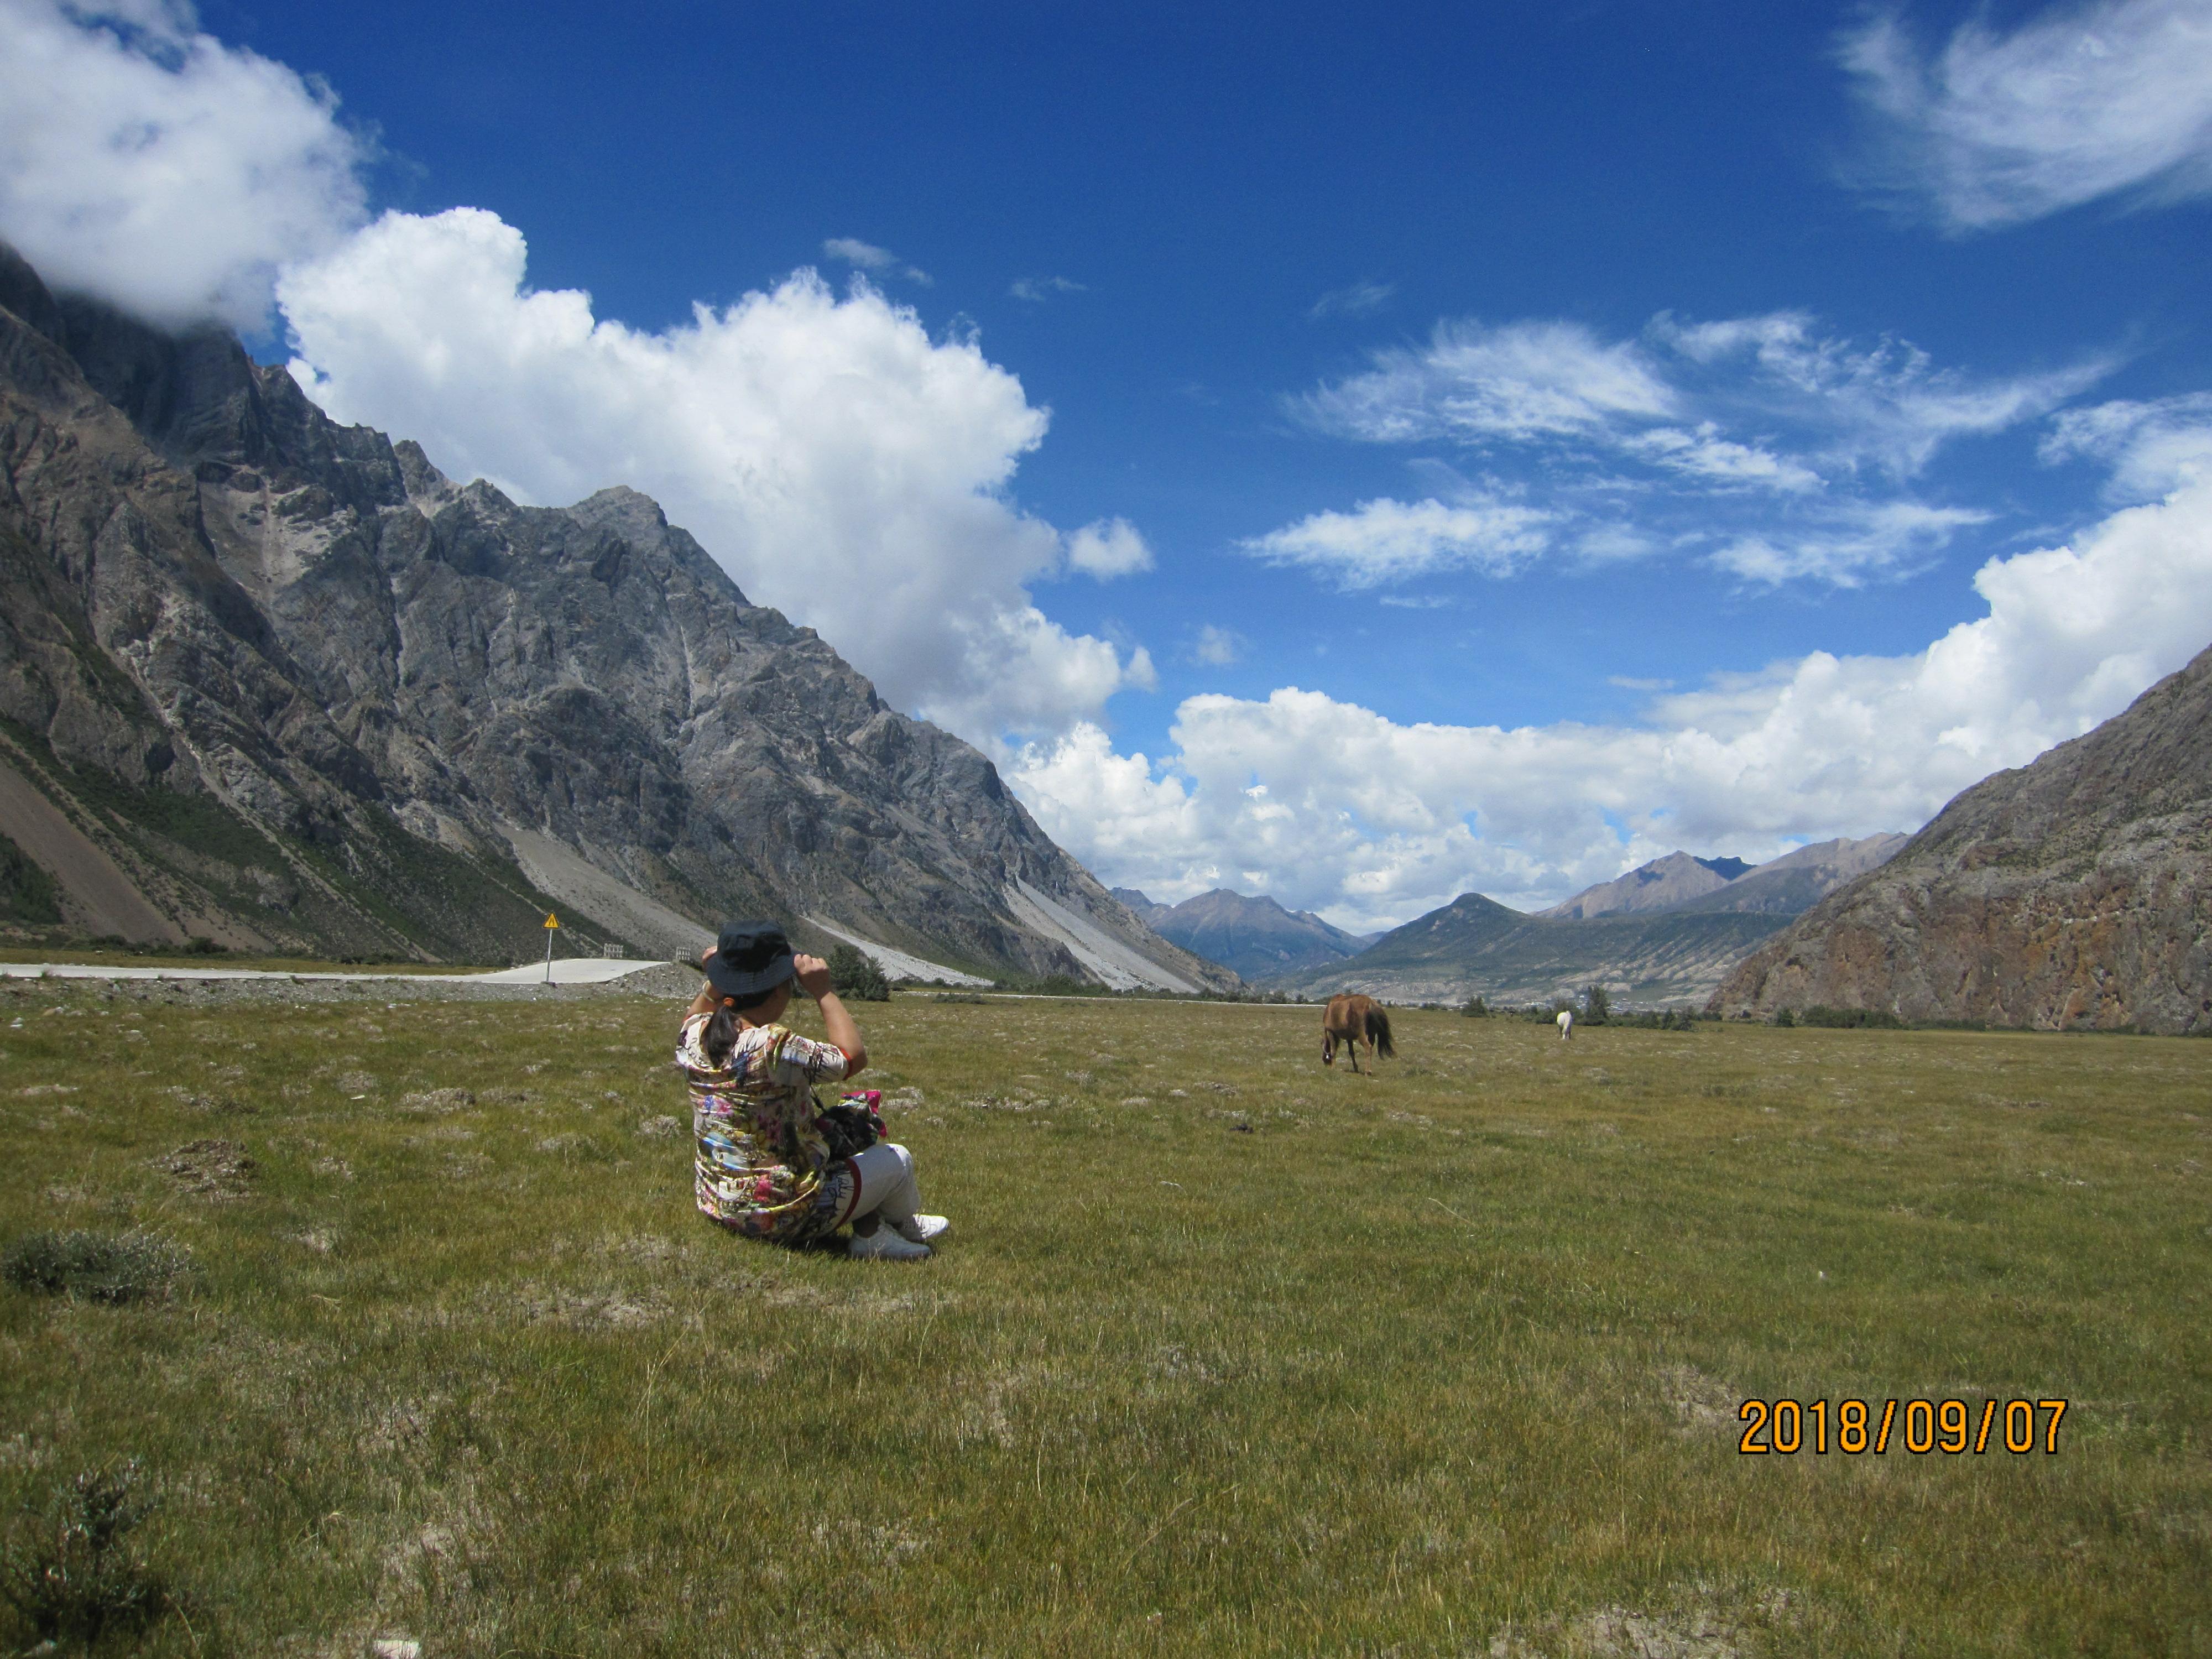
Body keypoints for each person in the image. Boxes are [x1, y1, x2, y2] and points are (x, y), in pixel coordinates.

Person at [676, 920, 948, 1261]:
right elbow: (851, 1057)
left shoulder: (694, 1033)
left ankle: (878, 1227)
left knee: (836, 1130)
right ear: (779, 989)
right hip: (782, 1213)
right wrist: (824, 991)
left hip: (719, 1202)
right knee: (899, 1160)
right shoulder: (770, 1044)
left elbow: (694, 1014)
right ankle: (897, 1225)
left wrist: (719, 978)